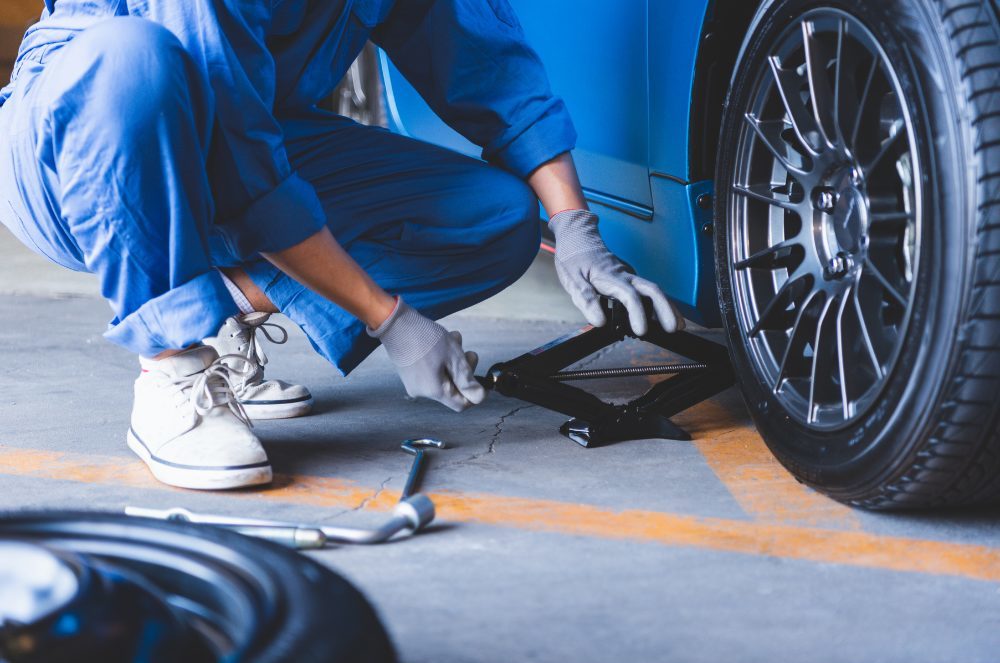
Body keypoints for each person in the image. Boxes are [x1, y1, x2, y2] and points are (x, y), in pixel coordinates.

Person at [0, 0, 682, 490]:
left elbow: (494, 73)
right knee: (133, 58)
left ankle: (216, 309)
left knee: (496, 216)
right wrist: (387, 315)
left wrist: (574, 228)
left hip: (251, 135)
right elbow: (241, 172)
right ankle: (170, 364)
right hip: (81, 145)